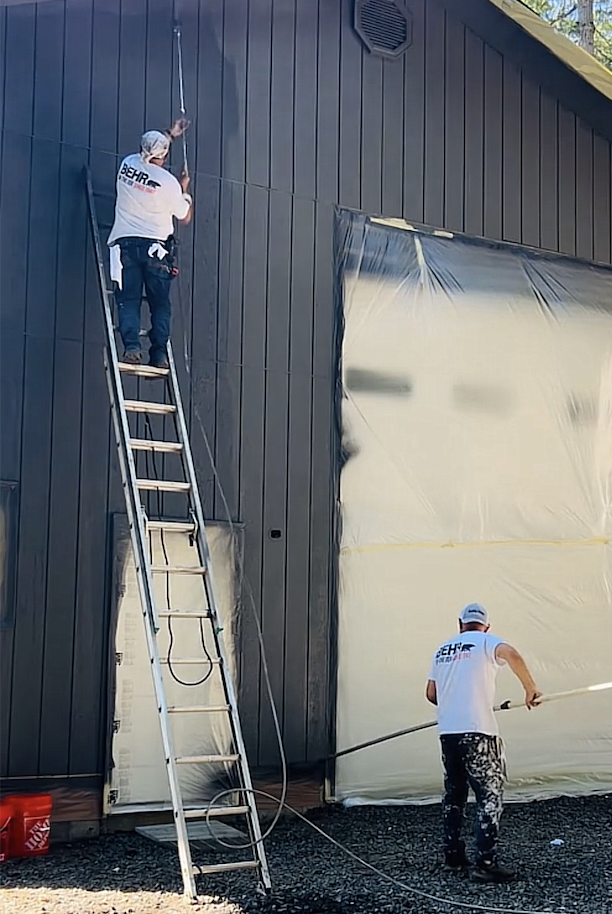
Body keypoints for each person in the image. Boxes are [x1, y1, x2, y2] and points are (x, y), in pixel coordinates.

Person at [425, 603, 542, 883]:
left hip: (448, 733)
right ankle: (484, 863)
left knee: (454, 794)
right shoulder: (487, 642)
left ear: (460, 624)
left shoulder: (442, 650)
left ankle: (453, 856)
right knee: (489, 795)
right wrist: (530, 689)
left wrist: (455, 700)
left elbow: (431, 694)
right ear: (486, 626)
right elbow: (511, 654)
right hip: (478, 731)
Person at [108, 120, 193, 369]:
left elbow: (153, 148)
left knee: (128, 299)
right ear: (164, 156)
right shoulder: (168, 184)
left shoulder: (128, 164)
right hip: (156, 250)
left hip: (124, 246)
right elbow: (185, 217)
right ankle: (159, 354)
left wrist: (171, 134)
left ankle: (132, 347)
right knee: (160, 304)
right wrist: (184, 189)